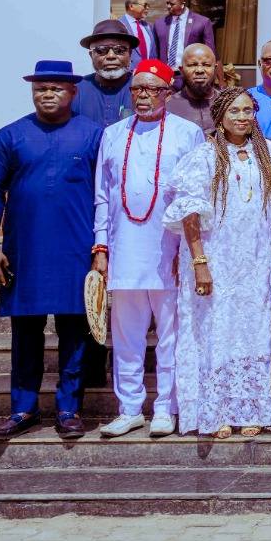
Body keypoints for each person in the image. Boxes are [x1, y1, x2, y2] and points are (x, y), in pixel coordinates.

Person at [0, 60, 105, 440]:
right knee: (26, 330)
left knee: (75, 330)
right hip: (24, 249)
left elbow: (108, 195)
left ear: (73, 92)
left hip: (76, 248)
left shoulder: (94, 135)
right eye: (40, 88)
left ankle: (69, 407)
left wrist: (103, 247)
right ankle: (23, 407)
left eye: (55, 88)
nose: (47, 94)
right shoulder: (10, 136)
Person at [163, 86, 271, 438]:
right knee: (216, 331)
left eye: (248, 111)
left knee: (252, 331)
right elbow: (189, 214)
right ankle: (215, 411)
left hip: (257, 260)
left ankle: (250, 408)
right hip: (216, 258)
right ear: (220, 116)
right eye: (234, 111)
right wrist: (199, 261)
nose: (242, 117)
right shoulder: (202, 157)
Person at [93, 58, 206, 438]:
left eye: (152, 89)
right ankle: (128, 408)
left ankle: (165, 409)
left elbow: (194, 196)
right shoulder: (112, 134)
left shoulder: (187, 133)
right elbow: (103, 197)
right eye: (138, 89)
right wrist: (101, 246)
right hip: (124, 250)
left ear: (167, 93)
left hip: (169, 252)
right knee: (127, 336)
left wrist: (190, 250)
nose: (144, 96)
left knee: (172, 335)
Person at [74, 19, 139, 126]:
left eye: (119, 50)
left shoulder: (144, 90)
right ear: (91, 55)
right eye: (101, 50)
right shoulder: (75, 91)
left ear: (130, 53)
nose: (111, 56)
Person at [152, 0, 216, 67]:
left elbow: (210, 52)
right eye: (167, 3)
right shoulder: (159, 23)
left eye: (172, 4)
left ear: (182, 4)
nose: (168, 6)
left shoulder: (202, 22)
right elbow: (154, 53)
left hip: (191, 74)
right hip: (165, 74)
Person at [166, 43, 219, 134]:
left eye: (206, 65)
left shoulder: (228, 103)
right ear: (181, 70)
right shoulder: (168, 107)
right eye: (192, 65)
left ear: (215, 69)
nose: (199, 70)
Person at [120, 0, 156, 67]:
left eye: (148, 5)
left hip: (148, 73)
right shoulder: (119, 25)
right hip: (129, 74)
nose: (147, 8)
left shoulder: (148, 26)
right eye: (145, 5)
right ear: (131, 6)